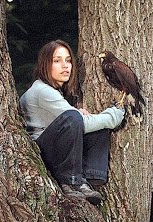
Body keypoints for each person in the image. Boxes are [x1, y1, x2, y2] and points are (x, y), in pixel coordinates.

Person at [19, 40, 125, 205]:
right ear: (44, 65)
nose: (65, 65)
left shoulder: (52, 91)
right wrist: (114, 115)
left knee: (89, 122)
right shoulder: (42, 90)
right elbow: (78, 121)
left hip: (54, 150)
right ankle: (71, 182)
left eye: (68, 60)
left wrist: (77, 116)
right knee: (79, 119)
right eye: (57, 60)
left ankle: (89, 176)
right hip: (41, 153)